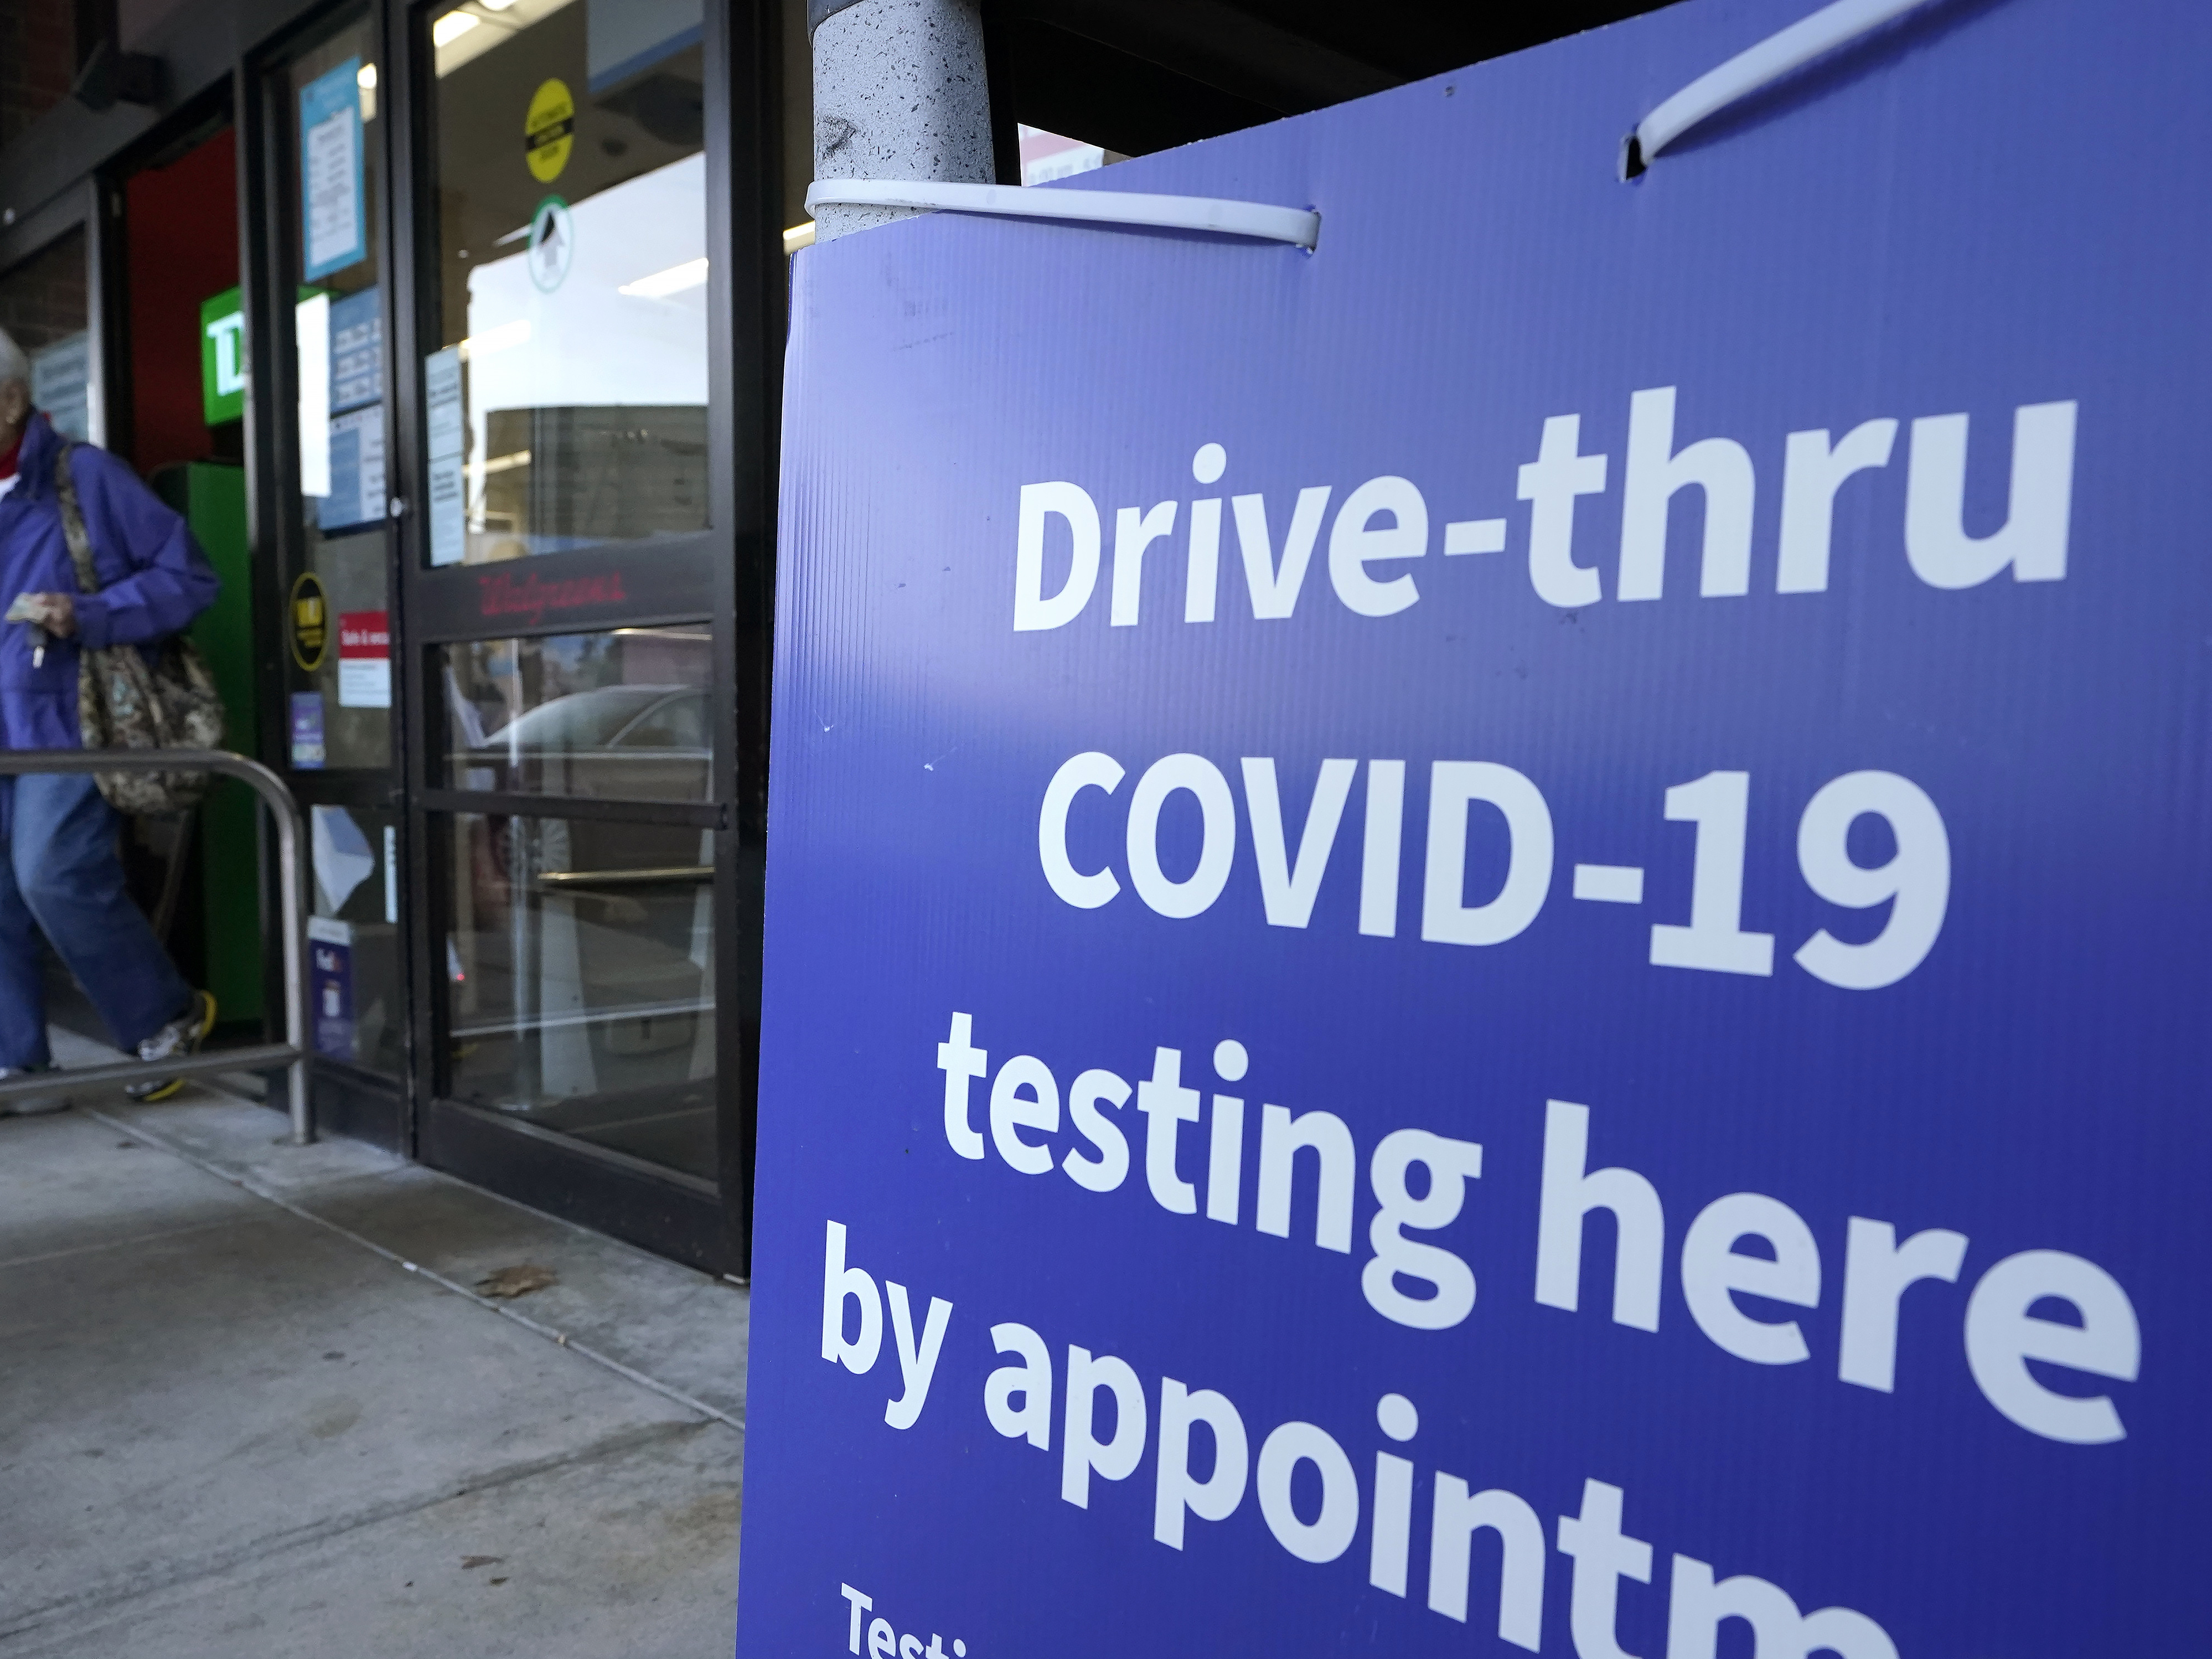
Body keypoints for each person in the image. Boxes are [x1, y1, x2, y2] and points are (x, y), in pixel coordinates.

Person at [0, 327, 221, 1114]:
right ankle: (16, 1058)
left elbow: (191, 575)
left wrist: (88, 612)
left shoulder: (83, 475)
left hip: (68, 719)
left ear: (13, 400)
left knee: (53, 874)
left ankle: (165, 1014)